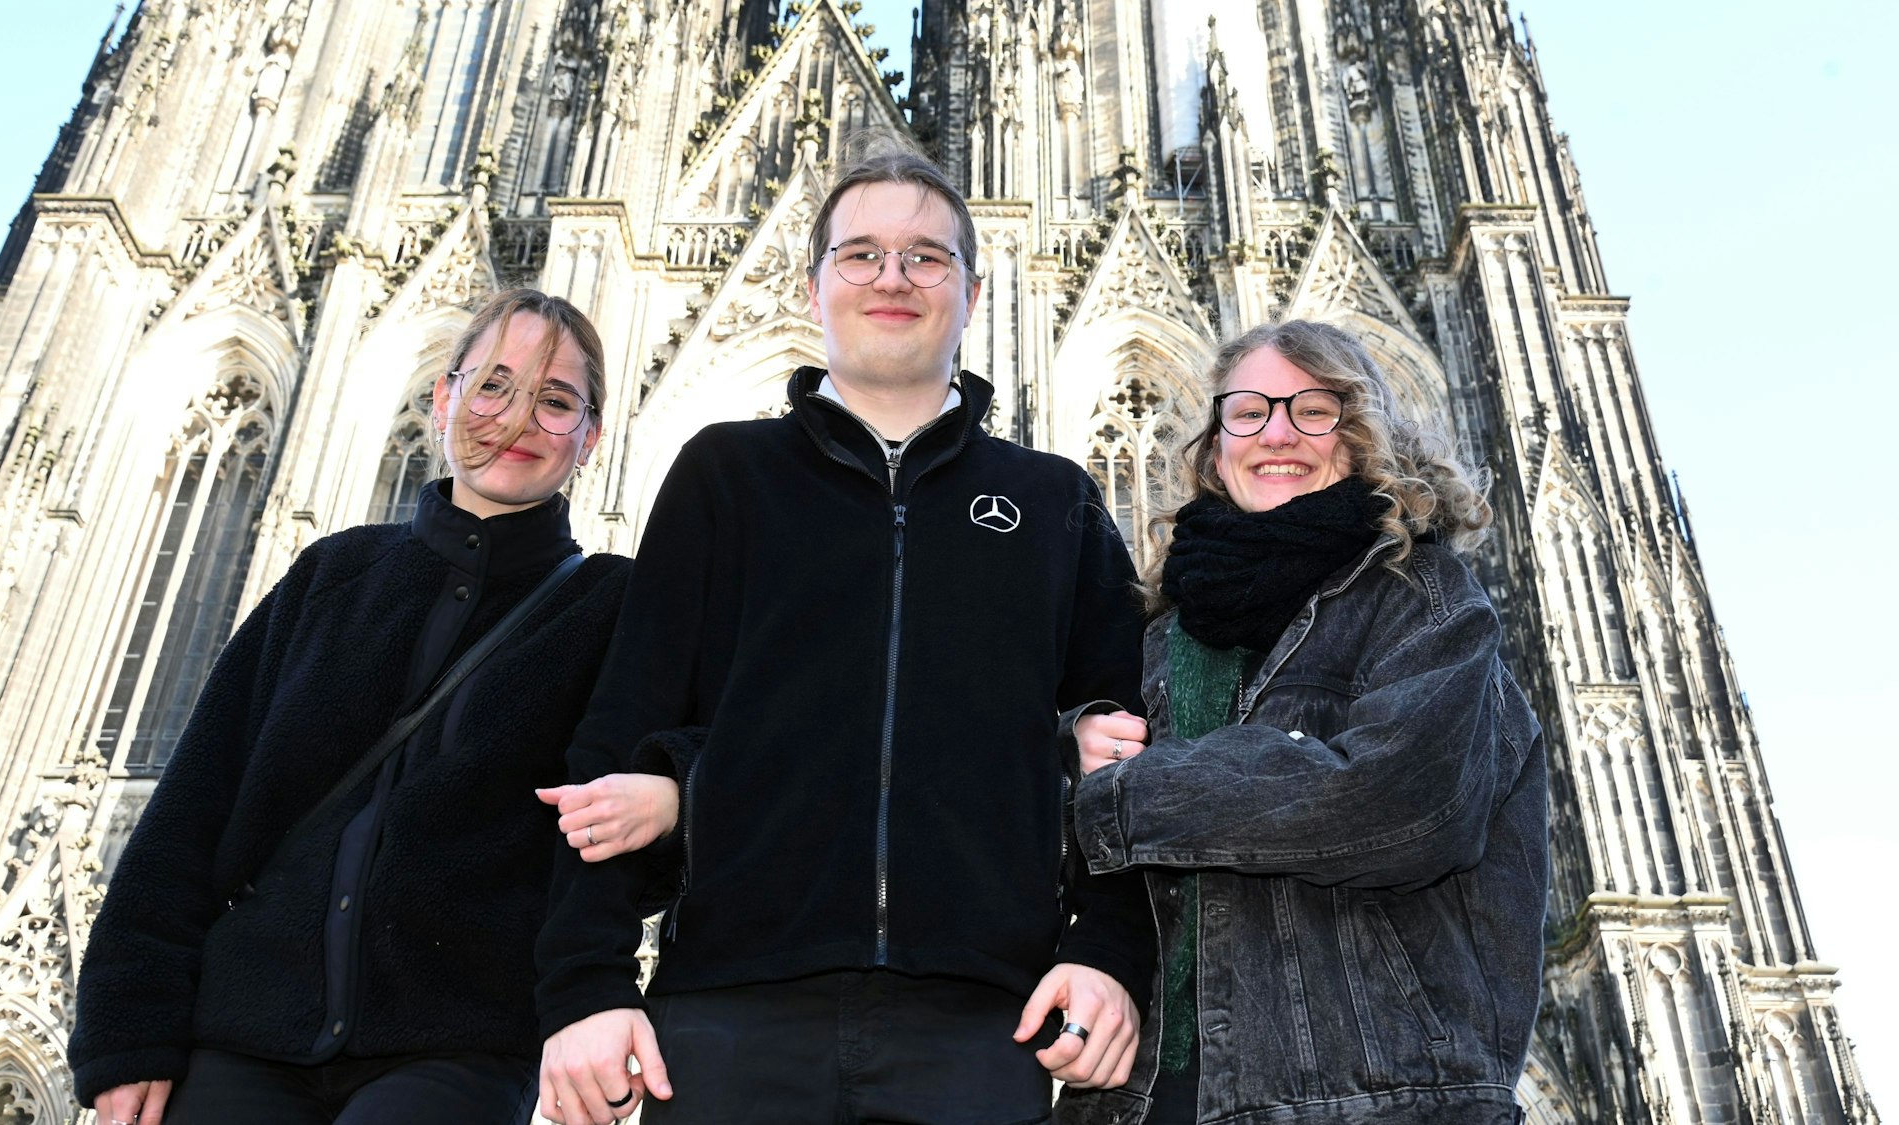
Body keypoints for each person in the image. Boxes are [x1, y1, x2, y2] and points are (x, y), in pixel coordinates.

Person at [531, 140, 1157, 1125]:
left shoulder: (1051, 502)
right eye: (860, 254)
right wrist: (585, 987)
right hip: (725, 1008)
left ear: (972, 290)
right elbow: (619, 737)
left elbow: (1131, 761)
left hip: (977, 1020)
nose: (892, 278)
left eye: (925, 255)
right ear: (814, 283)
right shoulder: (723, 475)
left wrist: (1107, 955)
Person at [67, 289, 674, 1124]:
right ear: (443, 397)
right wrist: (126, 1030)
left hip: (455, 1042)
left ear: (590, 438)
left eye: (555, 401)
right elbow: (193, 808)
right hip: (245, 1029)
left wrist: (677, 796)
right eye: (493, 385)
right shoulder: (331, 576)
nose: (516, 418)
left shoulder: (614, 607)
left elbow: (662, 799)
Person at [1058, 320, 1546, 1125]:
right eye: (1247, 412)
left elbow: (1393, 802)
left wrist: (1118, 794)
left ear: (1360, 436)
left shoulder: (1424, 598)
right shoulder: (1163, 631)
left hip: (1377, 1098)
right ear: (1216, 445)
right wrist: (1069, 752)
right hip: (1153, 1098)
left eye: (1313, 410)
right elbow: (1121, 887)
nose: (1276, 432)